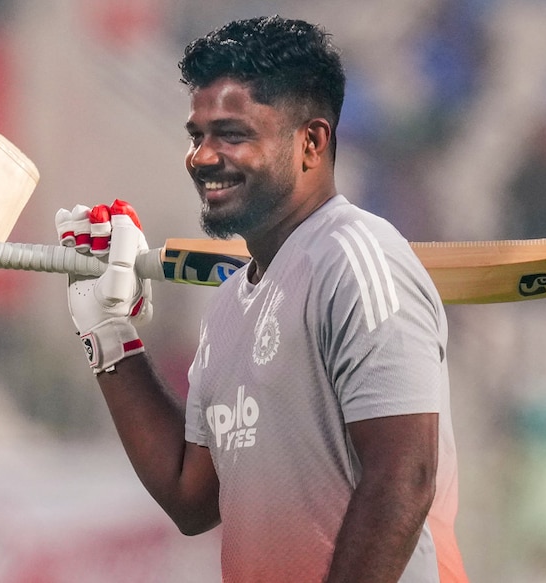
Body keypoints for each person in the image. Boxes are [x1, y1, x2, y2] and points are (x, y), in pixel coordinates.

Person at [56, 16, 467, 582]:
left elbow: (405, 476)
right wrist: (108, 334)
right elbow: (191, 498)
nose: (201, 157)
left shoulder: (357, 259)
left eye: (232, 134)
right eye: (197, 136)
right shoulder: (229, 307)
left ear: (311, 142)